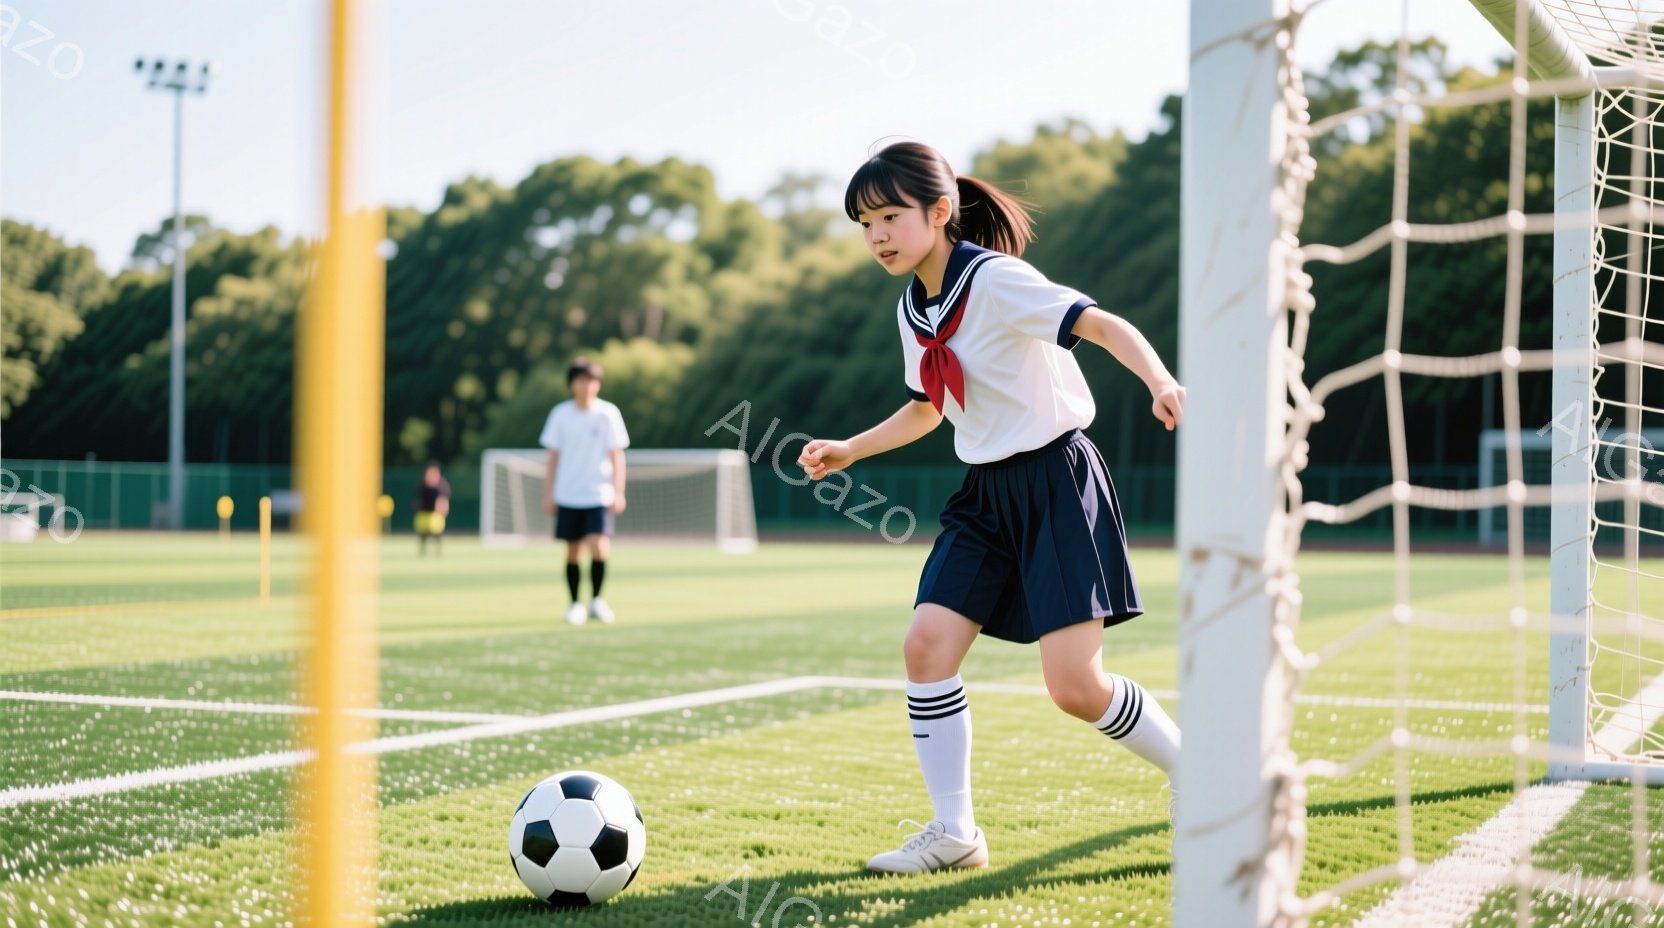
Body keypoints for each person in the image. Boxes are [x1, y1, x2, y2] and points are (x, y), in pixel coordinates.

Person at [797, 141, 1186, 874]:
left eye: (889, 215)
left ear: (939, 212)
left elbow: (1101, 324)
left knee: (1076, 688)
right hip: (984, 495)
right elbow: (927, 408)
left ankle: (1200, 777)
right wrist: (850, 448)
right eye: (863, 222)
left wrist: (1160, 380)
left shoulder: (998, 280)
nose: (876, 234)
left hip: (1057, 481)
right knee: (926, 647)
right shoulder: (913, 306)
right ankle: (956, 832)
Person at [540, 357, 630, 626]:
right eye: (581, 380)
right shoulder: (560, 414)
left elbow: (617, 455)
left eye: (592, 380)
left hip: (598, 493)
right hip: (568, 493)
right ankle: (575, 603)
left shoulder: (608, 414)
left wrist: (618, 491)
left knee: (600, 545)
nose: (587, 386)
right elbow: (553, 457)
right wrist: (549, 492)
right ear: (572, 384)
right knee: (573, 550)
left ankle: (598, 600)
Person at [413, 461, 450, 557]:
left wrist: (443, 510)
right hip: (423, 513)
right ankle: (422, 550)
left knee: (437, 533)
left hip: (435, 514)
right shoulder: (422, 485)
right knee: (422, 533)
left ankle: (438, 551)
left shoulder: (442, 485)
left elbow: (443, 500)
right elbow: (418, 499)